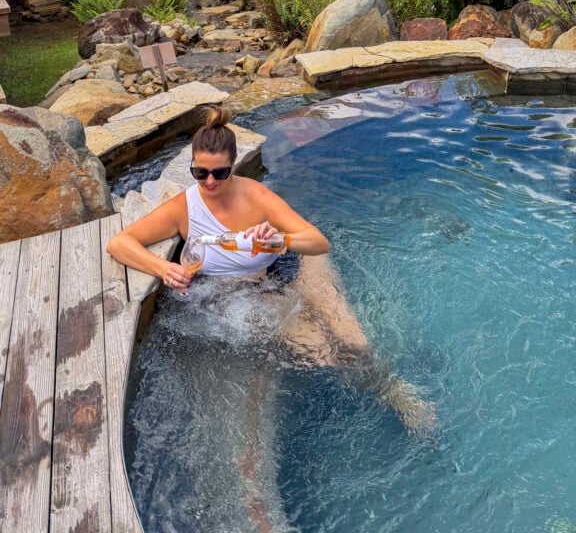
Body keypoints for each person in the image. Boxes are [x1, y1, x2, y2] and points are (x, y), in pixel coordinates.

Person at [107, 108, 435, 436]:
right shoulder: (185, 207)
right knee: (324, 351)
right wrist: (163, 267)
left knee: (353, 342)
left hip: (288, 265)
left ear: (233, 166)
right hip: (246, 290)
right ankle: (375, 396)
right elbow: (121, 243)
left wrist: (280, 240)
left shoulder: (256, 196)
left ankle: (399, 395)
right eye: (200, 172)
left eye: (219, 173)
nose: (209, 182)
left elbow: (318, 242)